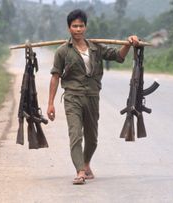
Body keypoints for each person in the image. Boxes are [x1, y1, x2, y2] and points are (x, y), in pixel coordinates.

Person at [47, 9, 139, 185]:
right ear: (69, 28)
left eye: (81, 26)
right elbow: (55, 76)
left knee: (92, 137)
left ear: (85, 27)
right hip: (72, 97)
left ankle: (86, 163)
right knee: (75, 134)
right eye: (75, 26)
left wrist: (128, 43)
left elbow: (118, 57)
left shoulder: (96, 48)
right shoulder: (62, 51)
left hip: (92, 96)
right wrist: (50, 104)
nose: (78, 29)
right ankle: (80, 171)